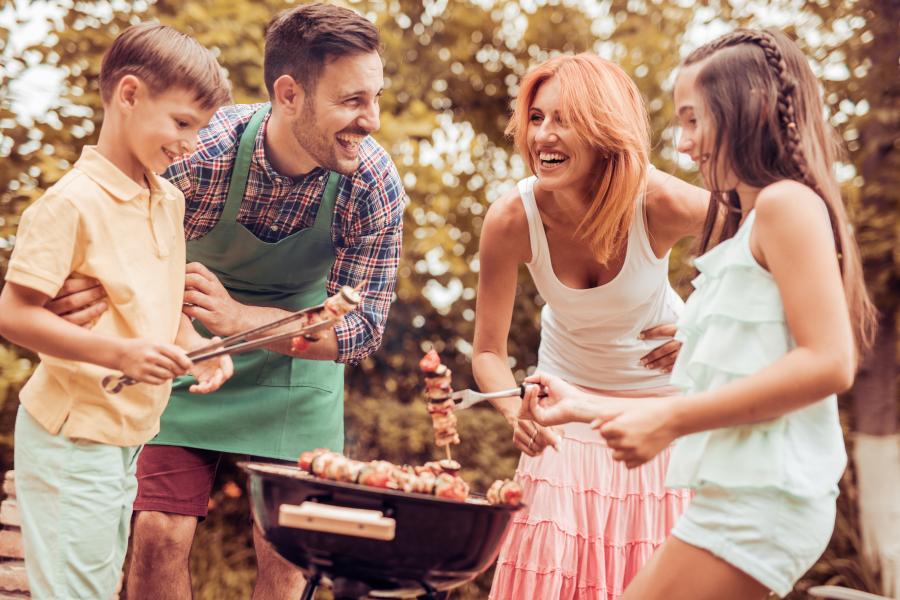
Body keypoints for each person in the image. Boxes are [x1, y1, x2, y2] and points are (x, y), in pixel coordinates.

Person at [43, 4, 406, 599]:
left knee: (289, 550)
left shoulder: (371, 184)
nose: (372, 120)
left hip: (296, 369)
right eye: (352, 101)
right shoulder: (199, 155)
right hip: (186, 355)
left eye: (376, 97)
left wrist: (242, 320)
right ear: (289, 94)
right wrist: (84, 284)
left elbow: (362, 328)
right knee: (159, 531)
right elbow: (108, 237)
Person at [523, 28, 877, 600]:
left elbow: (831, 362)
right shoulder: (755, 224)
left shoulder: (787, 205)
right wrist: (586, 405)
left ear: (747, 110)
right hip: (732, 498)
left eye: (693, 120)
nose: (684, 144)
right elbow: (740, 384)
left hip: (762, 505)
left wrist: (667, 422)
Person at [0, 24, 233, 600]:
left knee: (97, 589)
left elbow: (160, 299)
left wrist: (194, 344)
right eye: (182, 123)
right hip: (73, 437)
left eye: (200, 129)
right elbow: (14, 315)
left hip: (127, 435)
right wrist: (122, 353)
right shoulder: (71, 204)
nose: (191, 143)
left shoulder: (167, 198)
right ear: (128, 95)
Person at [472, 53, 708, 599]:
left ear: (604, 130)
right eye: (536, 117)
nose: (543, 135)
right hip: (563, 413)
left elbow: (764, 240)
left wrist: (702, 324)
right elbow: (487, 350)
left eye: (564, 118)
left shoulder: (659, 201)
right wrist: (516, 411)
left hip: (662, 412)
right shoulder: (511, 219)